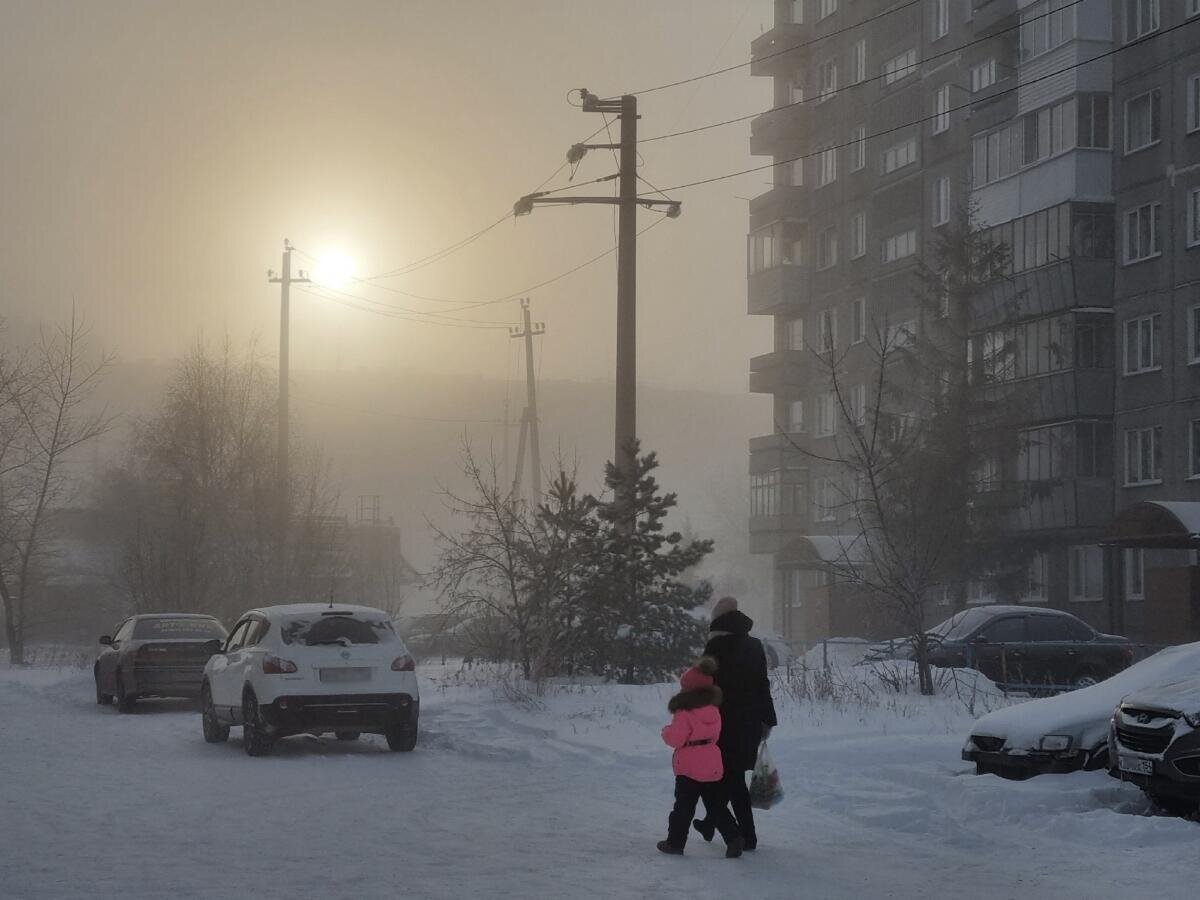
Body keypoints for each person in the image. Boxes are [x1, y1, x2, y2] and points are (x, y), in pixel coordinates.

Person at [692, 596, 777, 852]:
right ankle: (733, 831)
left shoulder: (715, 647)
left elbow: (704, 688)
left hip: (722, 724)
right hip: (750, 723)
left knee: (712, 780)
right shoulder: (754, 645)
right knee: (735, 779)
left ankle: (732, 832)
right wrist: (767, 719)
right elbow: (763, 684)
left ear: (717, 620)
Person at [657, 657, 744, 858]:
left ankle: (675, 843)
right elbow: (715, 735)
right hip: (711, 761)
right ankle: (734, 837)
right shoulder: (714, 710)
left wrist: (666, 732)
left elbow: (676, 738)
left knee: (683, 807)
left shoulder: (684, 712)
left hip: (689, 765)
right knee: (716, 805)